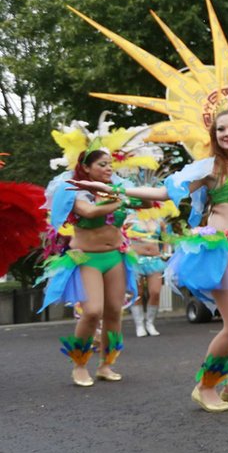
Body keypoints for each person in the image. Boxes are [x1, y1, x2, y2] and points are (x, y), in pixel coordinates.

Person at [71, 106, 228, 412]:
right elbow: (162, 193)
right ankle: (206, 385)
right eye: (220, 129)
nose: (226, 134)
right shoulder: (210, 169)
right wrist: (112, 188)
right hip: (220, 249)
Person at [39, 143, 140, 387]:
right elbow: (90, 211)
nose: (108, 169)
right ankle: (80, 364)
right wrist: (122, 199)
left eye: (110, 165)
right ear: (86, 167)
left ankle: (107, 364)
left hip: (115, 256)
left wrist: (128, 194)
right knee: (93, 311)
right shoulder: (74, 190)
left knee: (115, 311)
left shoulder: (116, 187)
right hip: (87, 259)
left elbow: (145, 203)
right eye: (101, 165)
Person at [126, 212, 173, 337]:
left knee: (155, 292)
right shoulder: (130, 217)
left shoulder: (159, 219)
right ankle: (139, 324)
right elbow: (121, 235)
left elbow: (166, 237)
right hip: (135, 260)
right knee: (138, 293)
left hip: (155, 260)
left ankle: (150, 323)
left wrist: (165, 252)